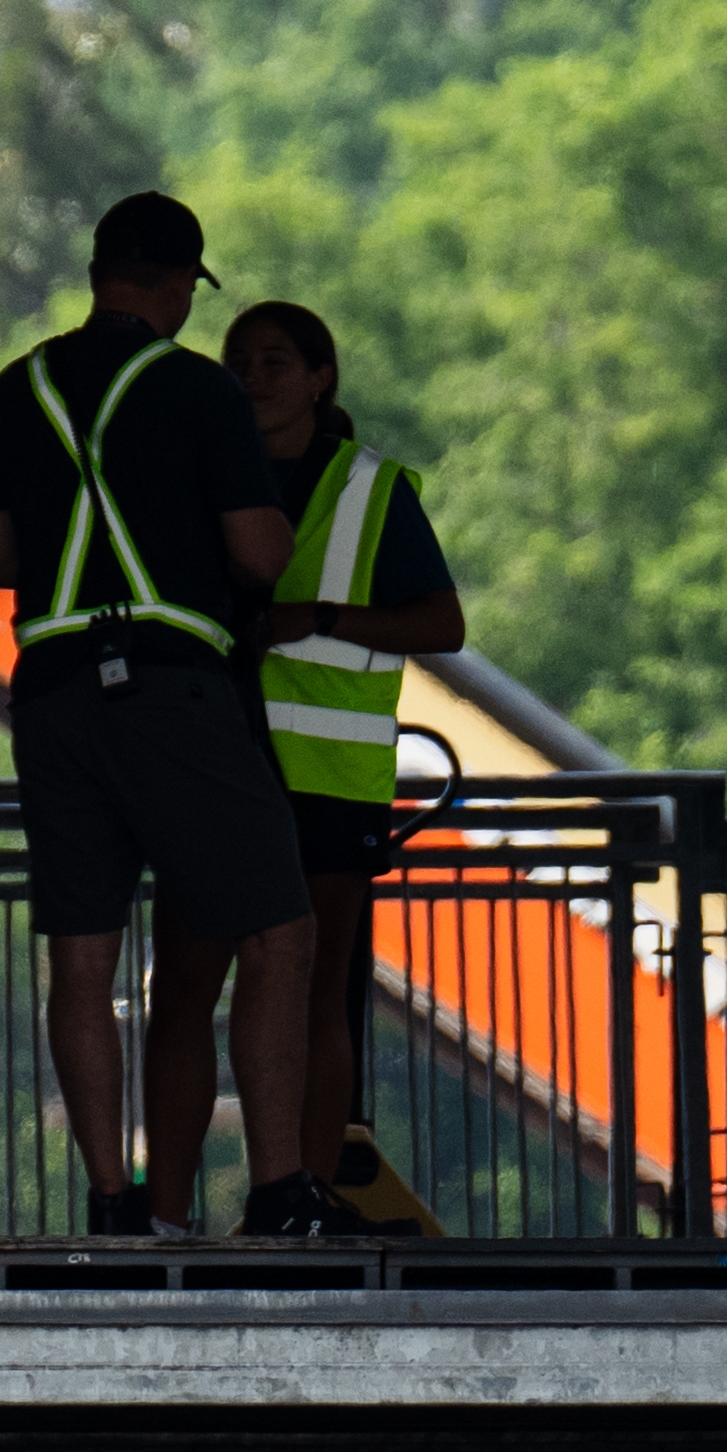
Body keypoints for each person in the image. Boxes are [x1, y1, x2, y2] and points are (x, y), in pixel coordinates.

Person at [0, 189, 333, 1240]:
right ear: (176, 282)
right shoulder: (193, 390)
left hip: (51, 696)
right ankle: (277, 1194)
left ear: (95, 272)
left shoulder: (11, 389)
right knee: (277, 928)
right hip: (169, 684)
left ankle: (111, 1206)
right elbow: (258, 552)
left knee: (80, 956)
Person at [225, 295, 469, 1241]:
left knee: (316, 989)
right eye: (239, 357)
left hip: (329, 774)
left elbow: (443, 624)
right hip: (234, 771)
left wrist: (320, 619)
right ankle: (280, 1190)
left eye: (276, 358)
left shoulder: (372, 489)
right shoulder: (214, 479)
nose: (253, 374)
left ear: (321, 377)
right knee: (253, 985)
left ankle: (309, 1192)